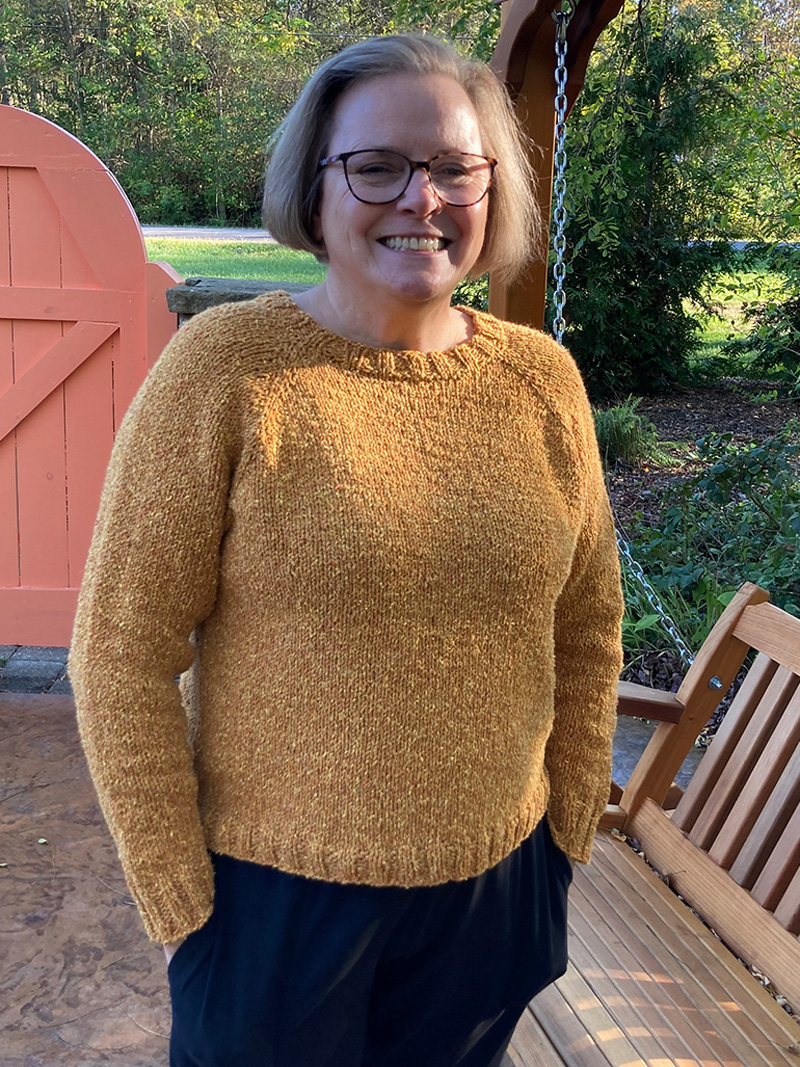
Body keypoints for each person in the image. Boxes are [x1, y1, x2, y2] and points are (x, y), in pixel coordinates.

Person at [69, 32, 623, 1067]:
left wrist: (564, 834)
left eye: (454, 166)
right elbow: (120, 650)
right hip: (274, 905)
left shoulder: (540, 380)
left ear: (491, 188)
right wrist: (180, 900)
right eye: (377, 166)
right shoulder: (226, 371)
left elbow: (587, 622)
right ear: (314, 190)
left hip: (494, 892)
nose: (422, 198)